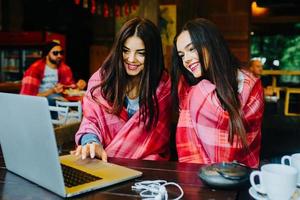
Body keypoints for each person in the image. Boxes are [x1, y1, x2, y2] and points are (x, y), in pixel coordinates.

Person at [72, 17, 172, 162]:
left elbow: (158, 142)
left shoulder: (163, 89)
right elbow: (91, 121)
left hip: (148, 170)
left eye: (141, 53)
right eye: (125, 51)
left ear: (153, 54)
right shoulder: (101, 81)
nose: (131, 59)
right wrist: (91, 142)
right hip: (104, 166)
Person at [171, 18, 264, 168]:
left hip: (241, 176)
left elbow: (244, 141)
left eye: (192, 49)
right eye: (181, 55)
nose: (186, 59)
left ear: (211, 44)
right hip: (196, 176)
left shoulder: (249, 86)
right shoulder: (187, 88)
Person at [20, 40, 86, 106]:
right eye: (55, 53)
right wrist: (52, 91)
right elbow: (28, 97)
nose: (59, 55)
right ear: (46, 54)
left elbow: (69, 88)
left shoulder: (65, 69)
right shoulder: (34, 69)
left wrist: (79, 86)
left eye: (61, 53)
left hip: (60, 101)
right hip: (39, 102)